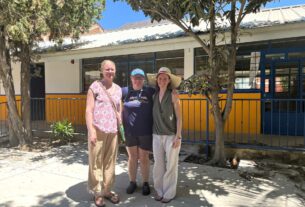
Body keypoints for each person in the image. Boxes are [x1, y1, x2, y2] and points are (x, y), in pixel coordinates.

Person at [85, 60, 122, 207]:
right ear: (102, 71)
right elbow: (88, 110)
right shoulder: (94, 87)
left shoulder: (118, 89)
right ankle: (97, 192)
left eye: (112, 69)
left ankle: (107, 190)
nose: (110, 72)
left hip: (113, 131)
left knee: (110, 162)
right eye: (107, 69)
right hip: (98, 130)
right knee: (96, 162)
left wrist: (120, 122)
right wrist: (91, 131)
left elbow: (119, 108)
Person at [147, 67, 182, 203]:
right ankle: (160, 191)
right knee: (158, 165)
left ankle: (169, 193)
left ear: (169, 81)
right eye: (160, 78)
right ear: (157, 80)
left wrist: (178, 136)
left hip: (171, 136)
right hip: (156, 136)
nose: (162, 80)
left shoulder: (173, 95)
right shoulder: (154, 96)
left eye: (165, 78)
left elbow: (179, 118)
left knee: (171, 166)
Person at [122, 68, 155, 196]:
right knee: (132, 158)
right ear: (131, 79)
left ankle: (146, 183)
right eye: (135, 77)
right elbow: (110, 94)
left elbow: (164, 89)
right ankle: (132, 182)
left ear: (143, 80)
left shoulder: (149, 91)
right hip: (129, 132)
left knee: (144, 158)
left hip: (145, 132)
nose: (137, 80)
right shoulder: (125, 91)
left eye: (140, 78)